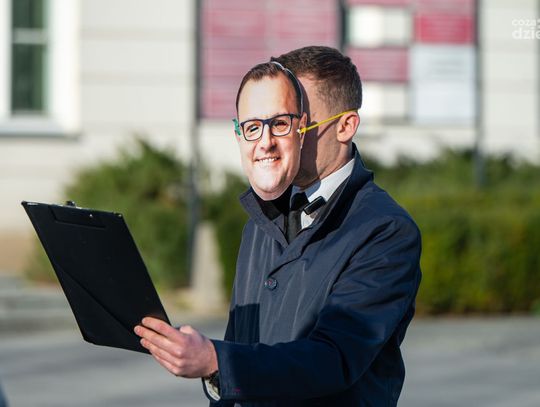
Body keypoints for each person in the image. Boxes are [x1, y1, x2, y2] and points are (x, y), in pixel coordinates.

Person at [135, 47, 422, 406]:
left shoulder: (386, 230)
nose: (274, 140)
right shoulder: (261, 219)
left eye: (292, 122)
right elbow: (240, 343)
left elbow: (333, 359)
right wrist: (216, 371)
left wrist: (216, 361)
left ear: (346, 126)